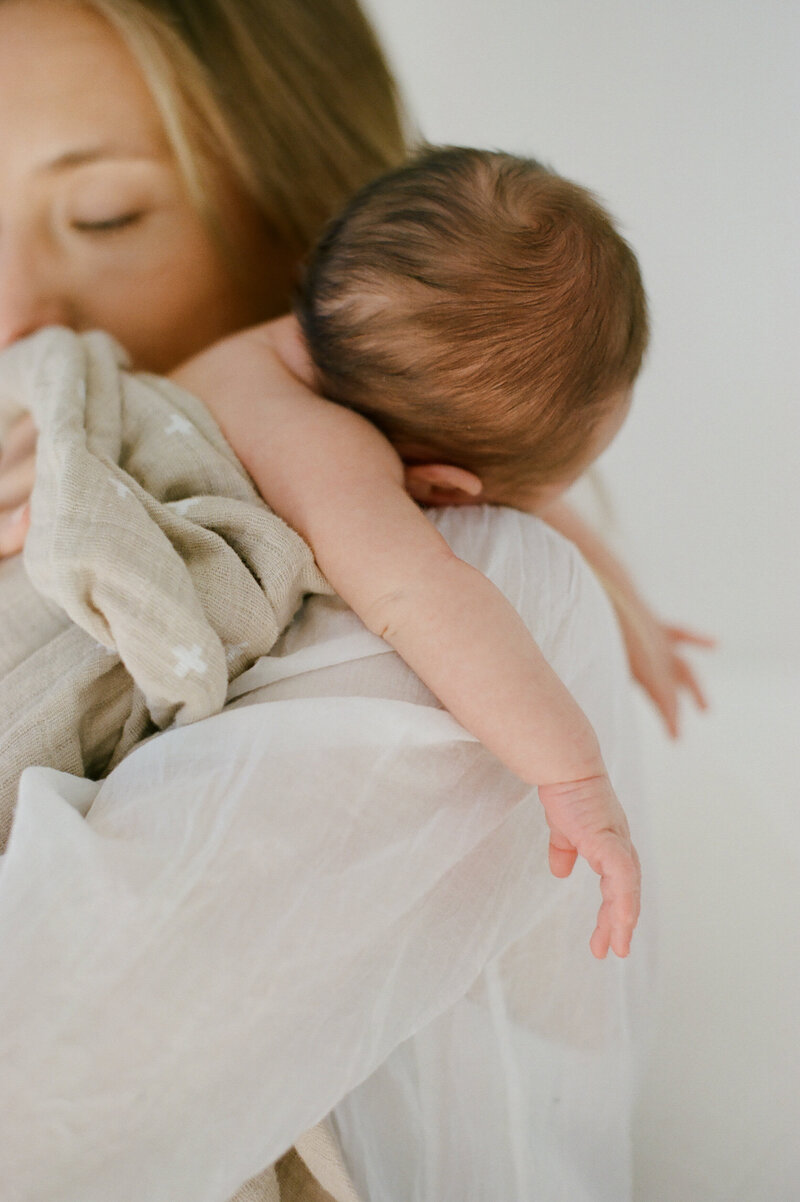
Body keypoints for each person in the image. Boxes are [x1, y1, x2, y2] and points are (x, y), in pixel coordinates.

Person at [0, 2, 709, 1198]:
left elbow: (414, 572)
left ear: (305, 214)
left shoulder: (479, 589)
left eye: (107, 213)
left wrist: (568, 739)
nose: (14, 313)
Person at [0, 143, 649, 956]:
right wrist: (574, 774)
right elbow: (421, 597)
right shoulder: (332, 454)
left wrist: (623, 586)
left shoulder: (252, 351)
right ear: (443, 491)